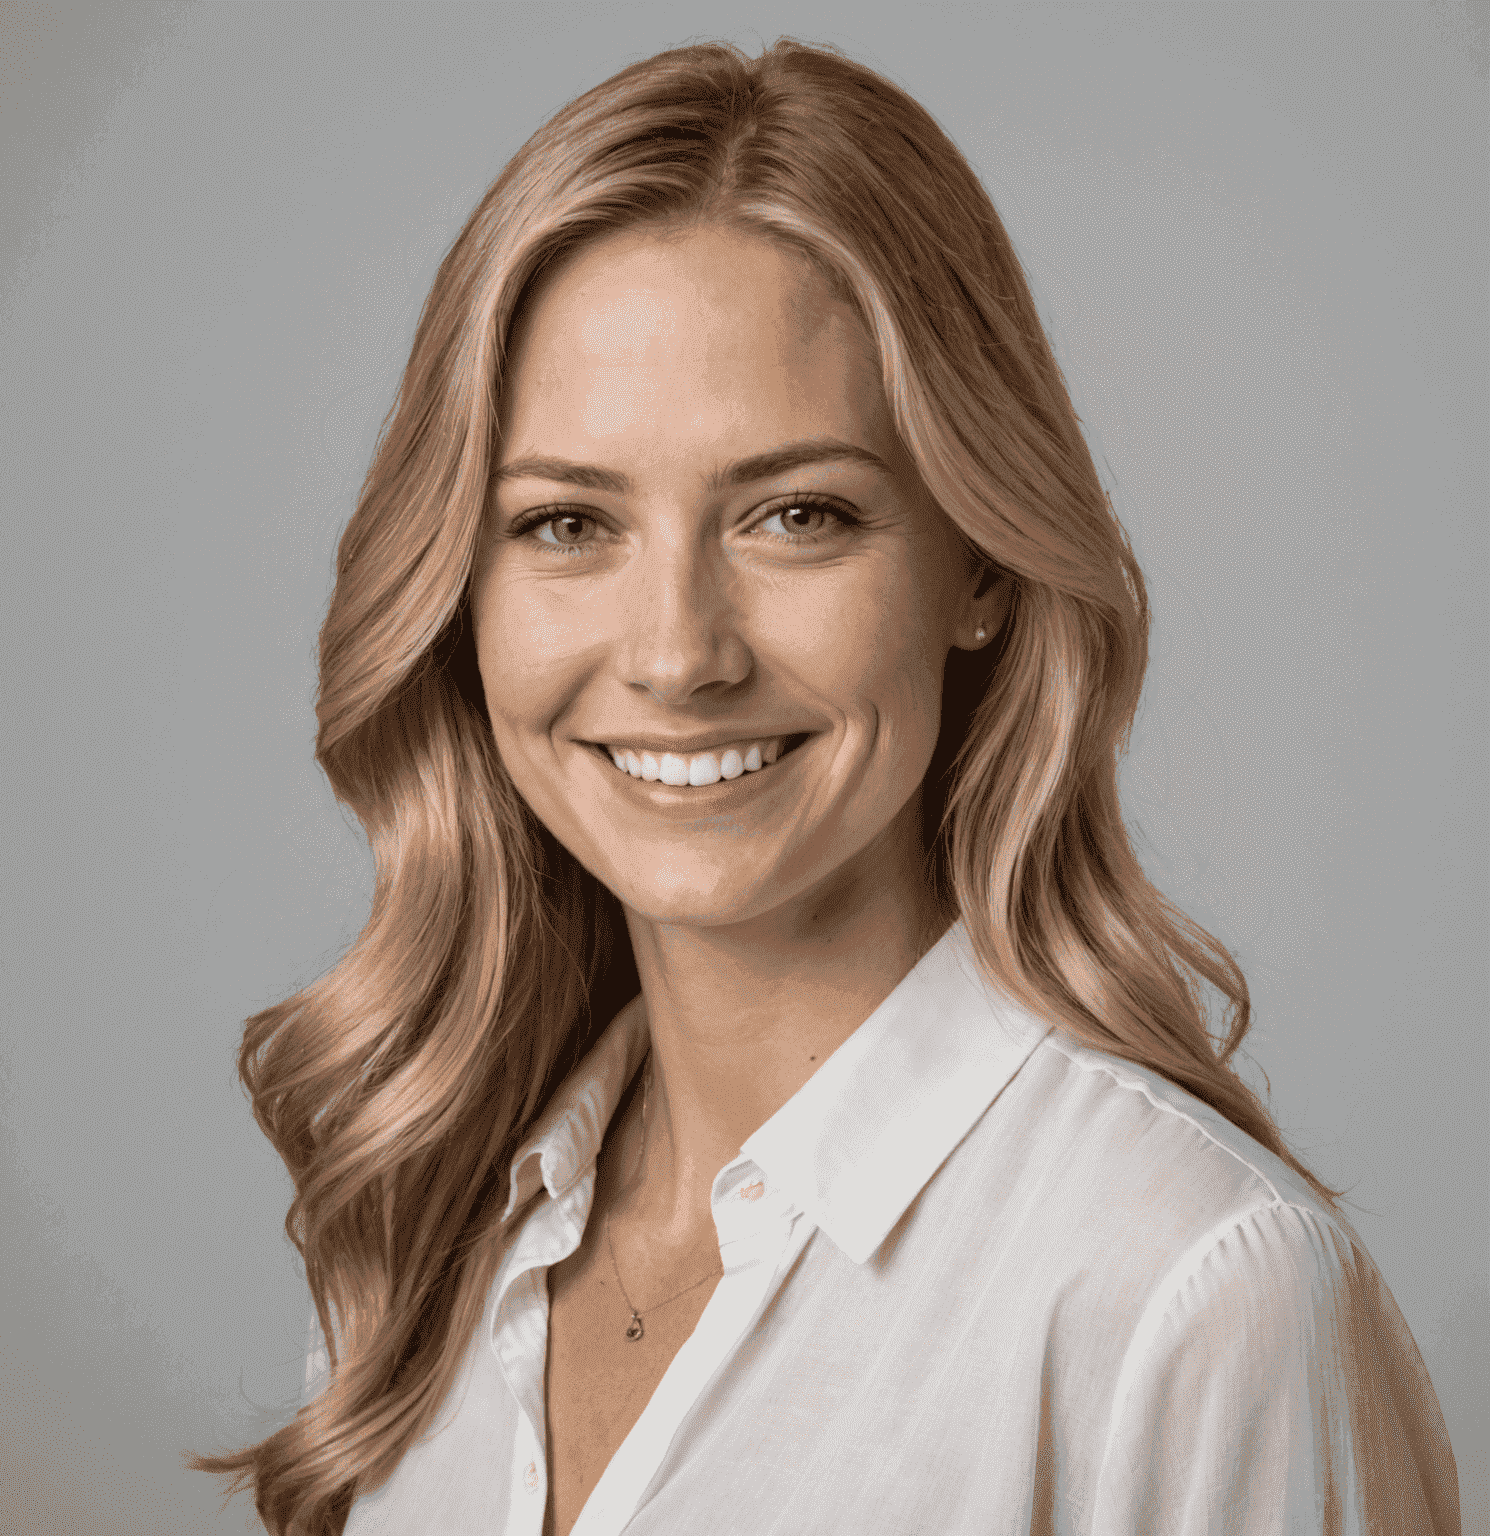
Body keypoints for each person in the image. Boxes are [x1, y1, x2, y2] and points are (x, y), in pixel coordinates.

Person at [195, 36, 1460, 1536]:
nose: (676, 653)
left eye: (798, 515)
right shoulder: (428, 1245)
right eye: (565, 524)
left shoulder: (1192, 1295)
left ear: (979, 564)